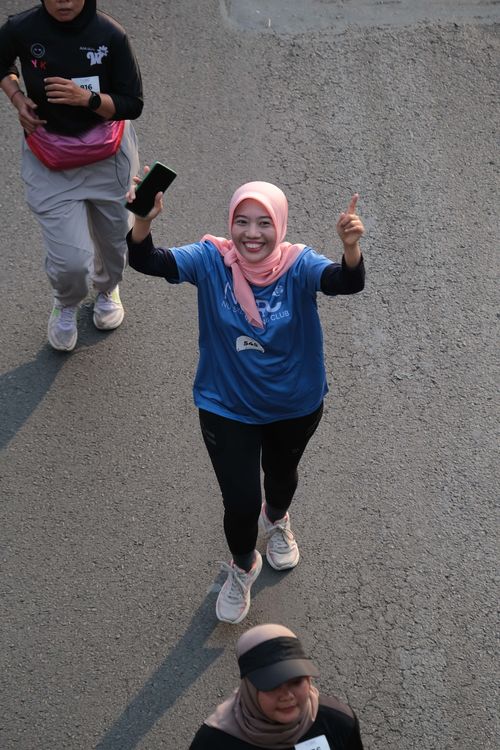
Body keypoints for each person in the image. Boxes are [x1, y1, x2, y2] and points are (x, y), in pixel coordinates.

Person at [126, 177, 365, 624]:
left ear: (280, 225)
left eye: (263, 223)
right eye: (242, 222)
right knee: (239, 502)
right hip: (226, 404)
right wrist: (142, 221)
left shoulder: (299, 264)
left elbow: (345, 282)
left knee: (281, 476)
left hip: (293, 404)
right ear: (230, 223)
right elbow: (147, 261)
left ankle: (277, 520)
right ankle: (242, 566)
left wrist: (350, 248)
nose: (252, 234)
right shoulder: (211, 260)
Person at [0, 0, 143, 351]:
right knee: (71, 262)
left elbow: (133, 103)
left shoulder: (111, 35)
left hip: (107, 155)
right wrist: (17, 98)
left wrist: (88, 100)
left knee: (115, 243)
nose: (64, 1)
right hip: (49, 156)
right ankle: (66, 303)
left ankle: (107, 288)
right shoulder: (22, 28)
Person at [189, 623, 364, 749]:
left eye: (296, 681)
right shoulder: (213, 742)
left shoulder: (338, 721)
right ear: (250, 689)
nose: (287, 696)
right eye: (272, 685)